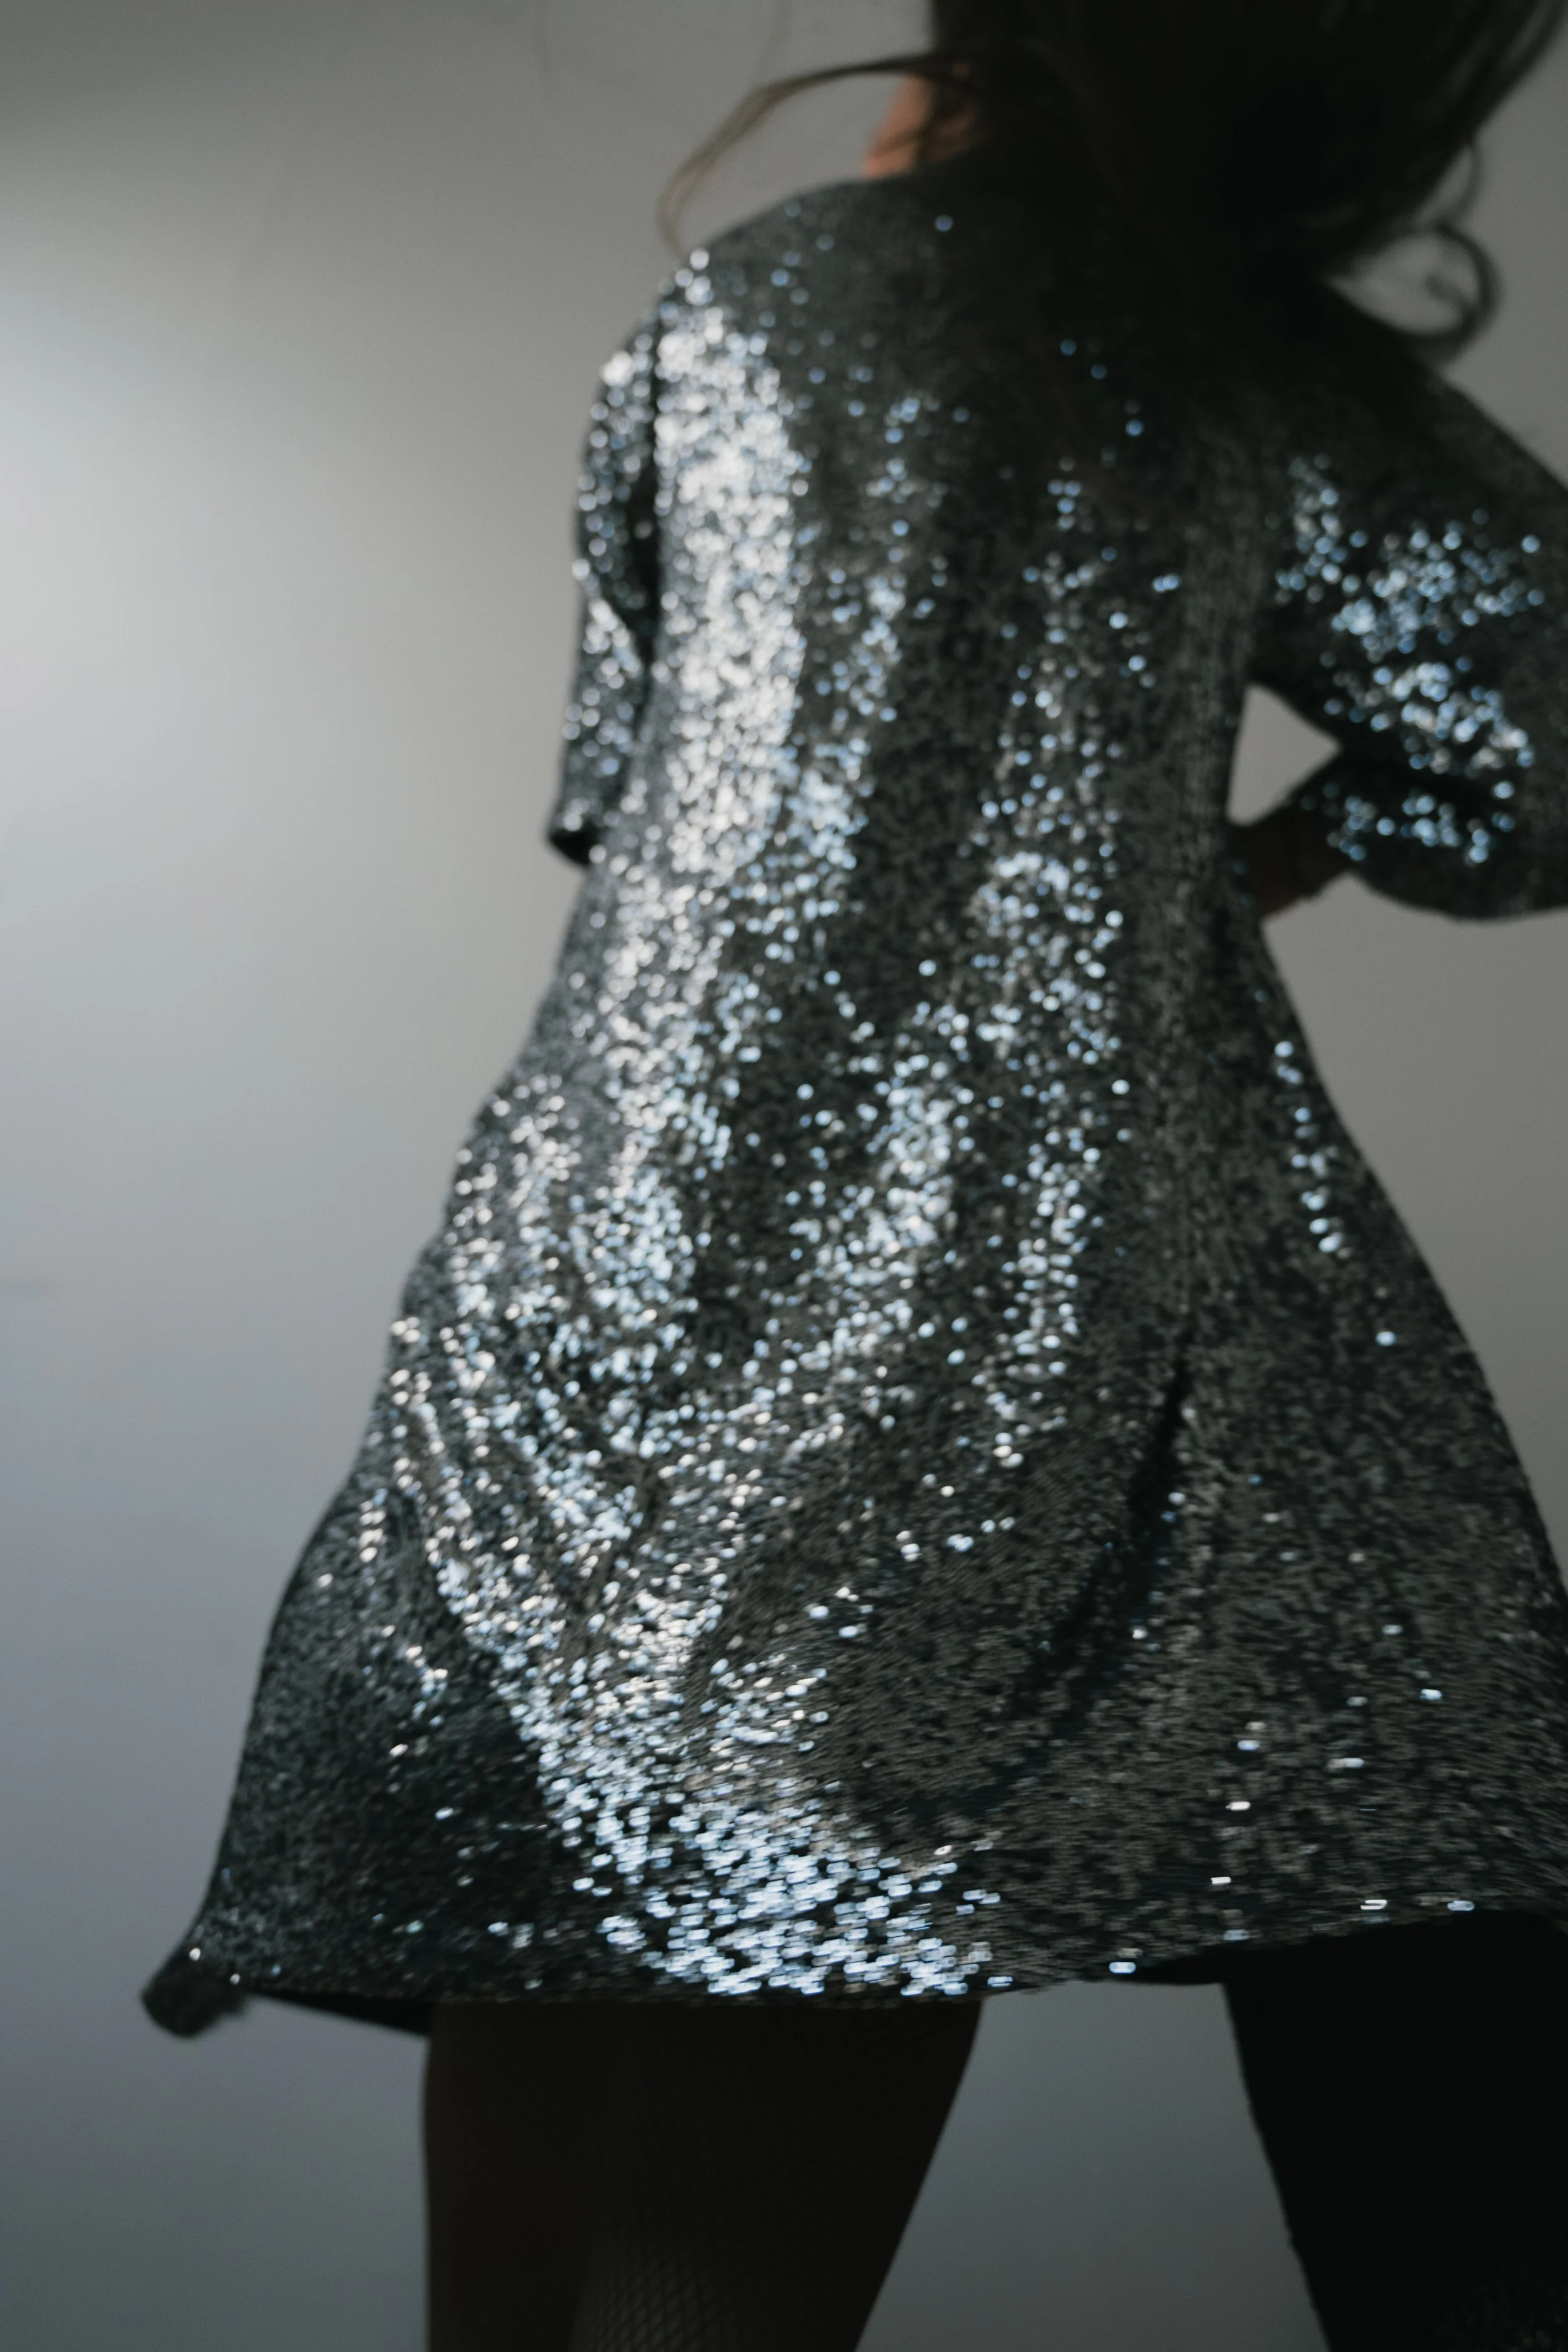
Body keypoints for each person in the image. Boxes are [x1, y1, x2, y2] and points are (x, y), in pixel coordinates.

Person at [145, 6, 1568, 2345]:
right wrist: (1260, 856)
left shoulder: (733, 310)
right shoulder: (1216, 347)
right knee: (839, 1838)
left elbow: (621, 774)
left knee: (557, 1849)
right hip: (1012, 1229)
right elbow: (1539, 724)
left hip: (606, 1216)